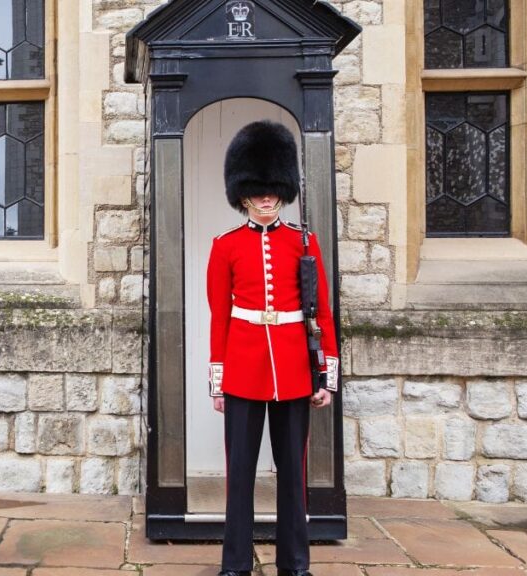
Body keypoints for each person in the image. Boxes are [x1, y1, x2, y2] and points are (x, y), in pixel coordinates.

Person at [206, 120, 339, 576]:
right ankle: (236, 564)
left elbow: (322, 313)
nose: (266, 198)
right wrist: (218, 381)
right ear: (243, 194)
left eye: (272, 191)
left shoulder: (305, 242)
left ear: (282, 190)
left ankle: (295, 565)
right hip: (243, 369)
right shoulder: (225, 246)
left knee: (293, 478)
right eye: (257, 191)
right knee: (239, 475)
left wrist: (327, 376)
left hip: (294, 370)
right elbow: (219, 317)